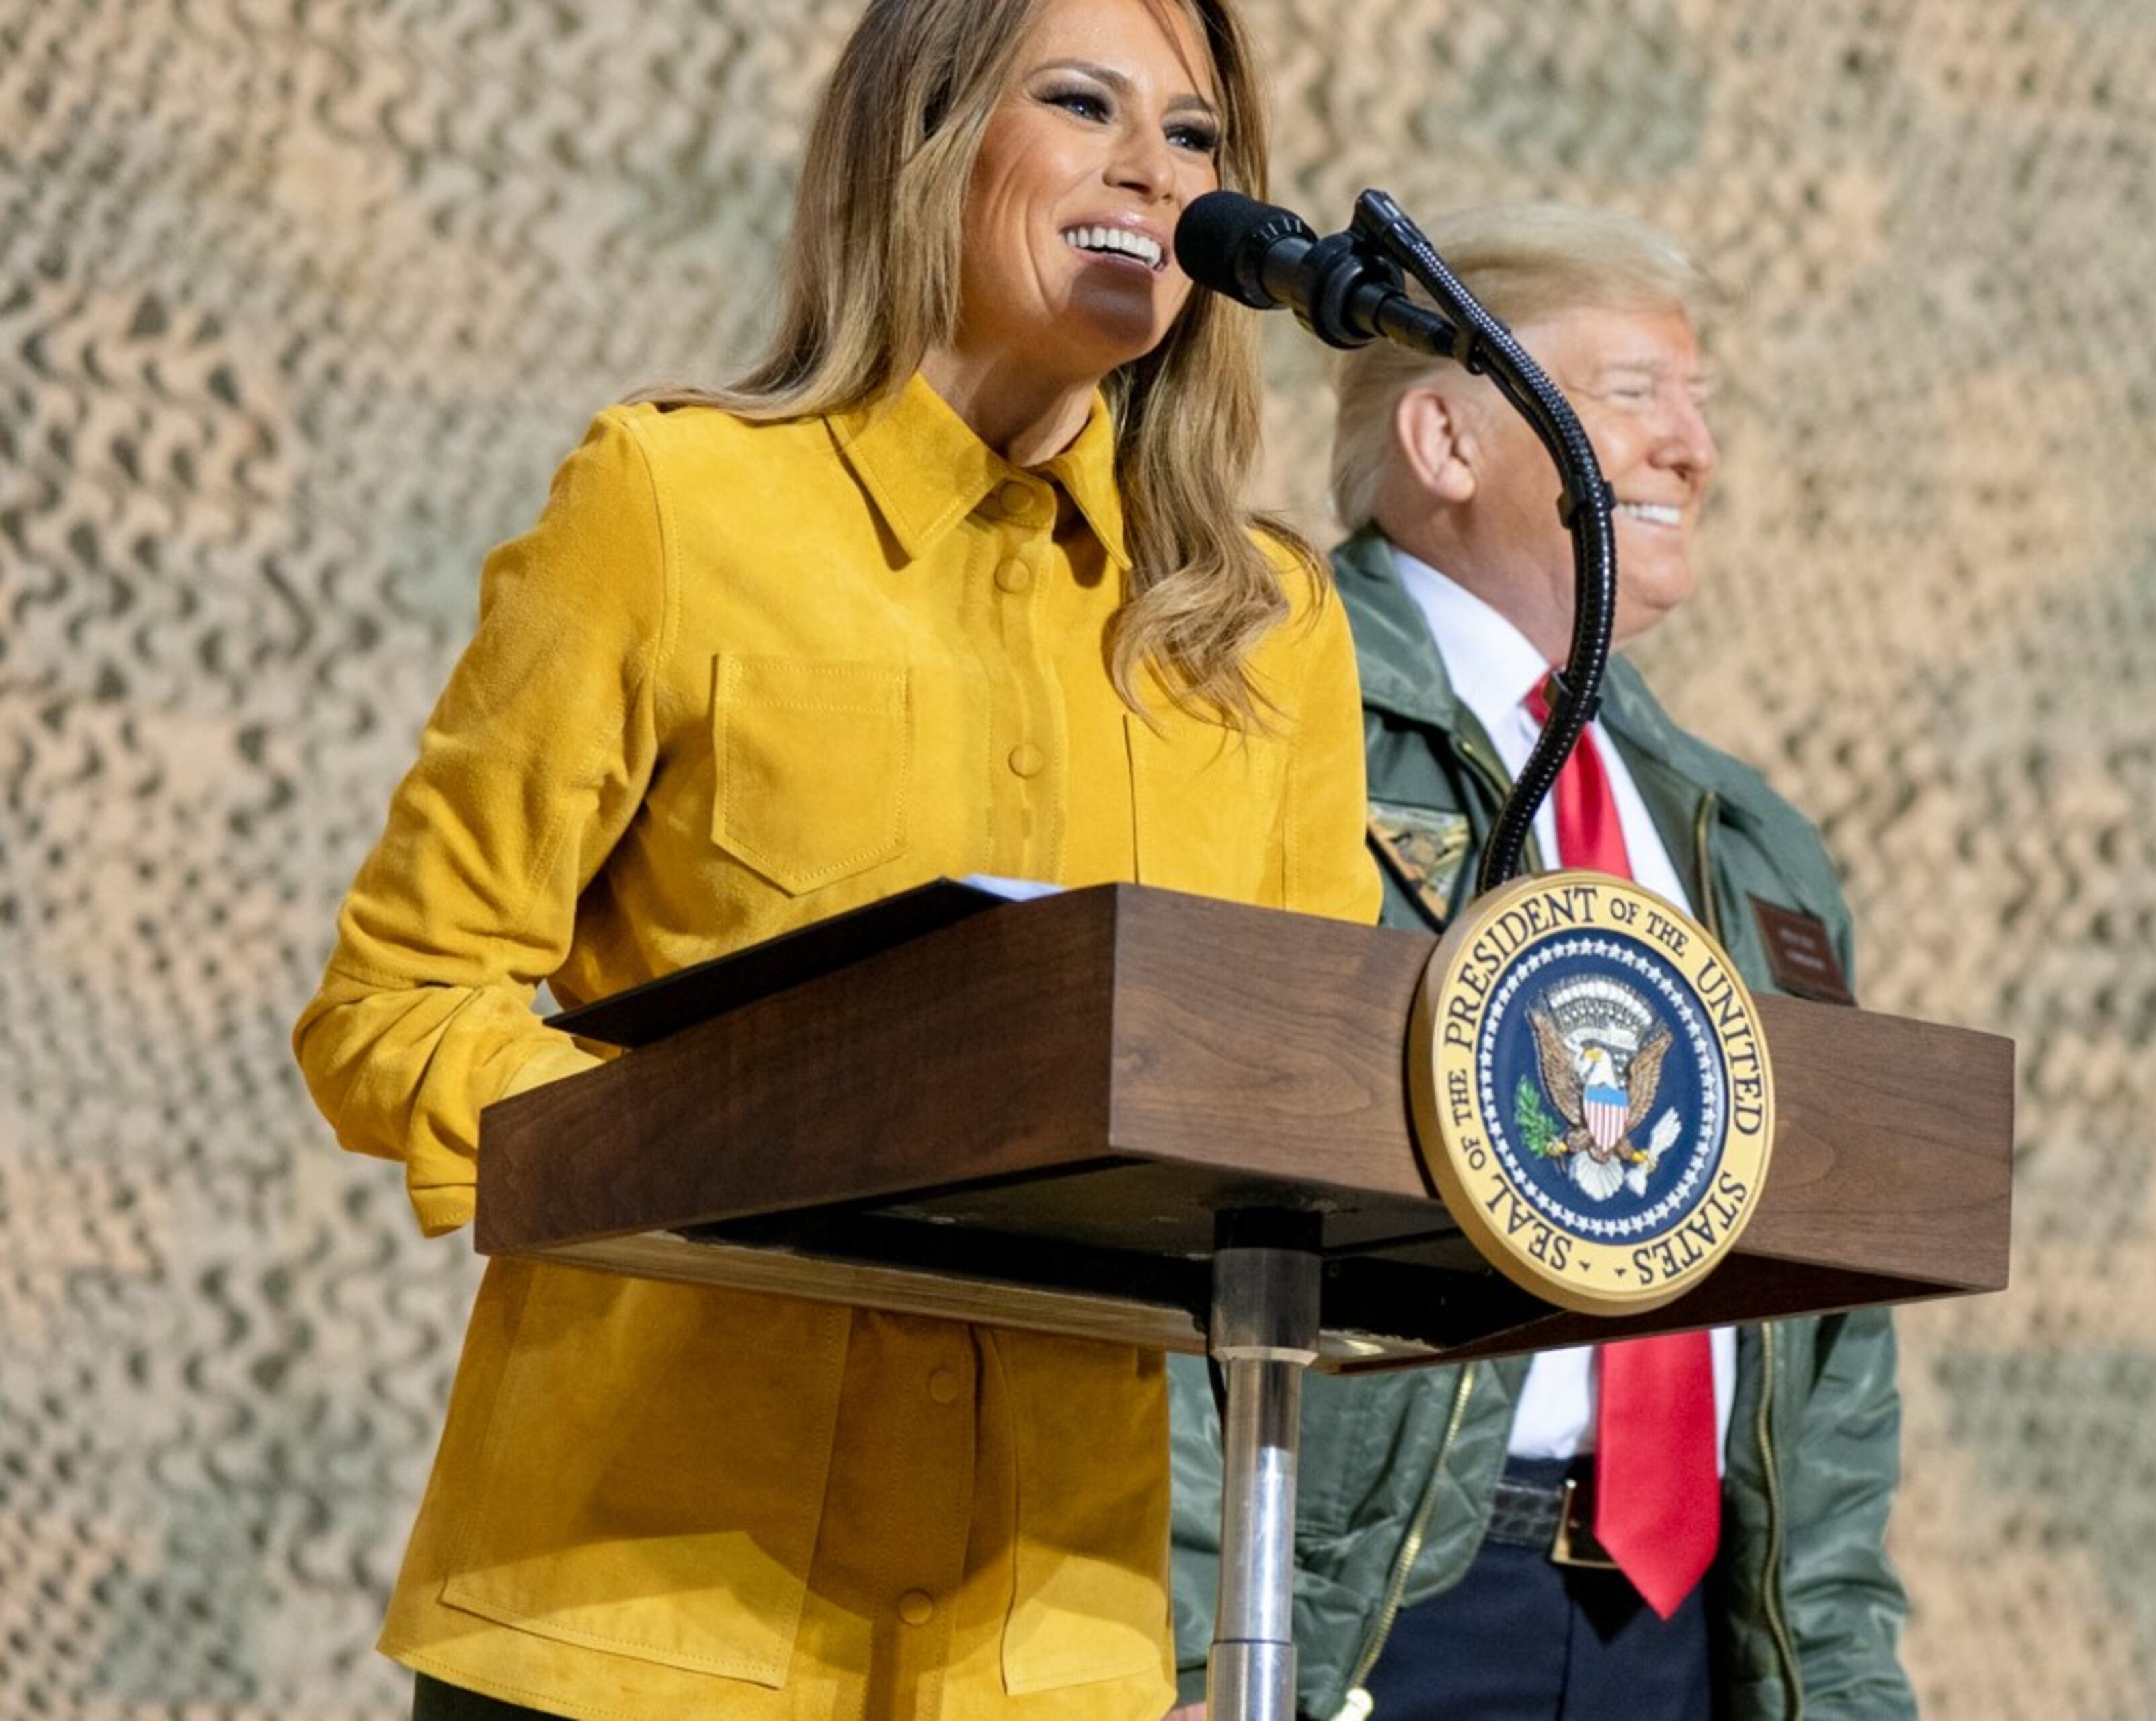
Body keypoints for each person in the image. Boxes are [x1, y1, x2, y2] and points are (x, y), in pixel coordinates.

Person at [292, 1, 1378, 1717]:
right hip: (638, 1611)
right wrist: (737, 1128)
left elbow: (1300, 1133)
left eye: (1195, 139)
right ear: (922, 144)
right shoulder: (672, 502)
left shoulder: (1266, 629)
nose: (1152, 173)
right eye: (1084, 105)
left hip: (1052, 1655)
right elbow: (392, 1009)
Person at [1166, 205, 1915, 1721]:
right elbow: (1180, 1186)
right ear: (1444, 438)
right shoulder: (1264, 726)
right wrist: (1186, 1643)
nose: (1693, 450)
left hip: (1682, 1629)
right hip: (1378, 1615)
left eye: (1699, 405)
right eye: (1635, 395)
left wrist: (1832, 1684)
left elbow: (1828, 1342)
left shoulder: (1748, 837)